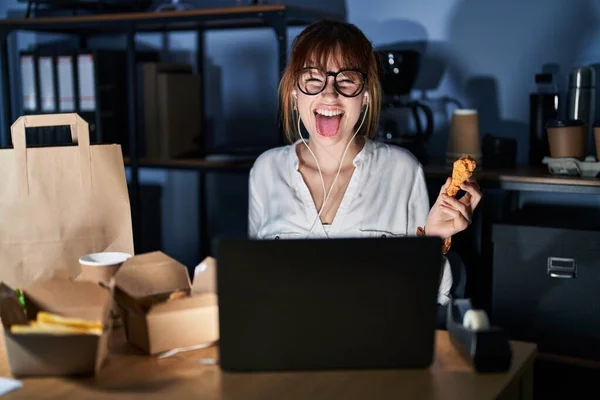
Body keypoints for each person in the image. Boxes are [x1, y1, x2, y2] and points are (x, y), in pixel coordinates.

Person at [248, 19, 482, 311]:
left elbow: (424, 299)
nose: (329, 93)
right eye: (312, 78)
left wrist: (434, 240)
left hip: (380, 347)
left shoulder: (402, 170)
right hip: (286, 347)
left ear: (366, 96)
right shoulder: (265, 171)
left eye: (346, 80)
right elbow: (256, 284)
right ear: (295, 94)